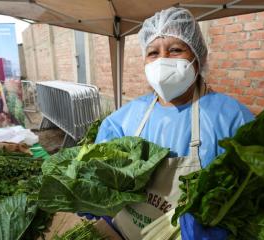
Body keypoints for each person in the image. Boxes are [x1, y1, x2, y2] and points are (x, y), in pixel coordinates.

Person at [93, 7, 254, 240]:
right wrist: (94, 196)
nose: (162, 61)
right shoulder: (125, 118)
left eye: (175, 50)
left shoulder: (231, 118)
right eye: (153, 53)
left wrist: (222, 230)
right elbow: (102, 170)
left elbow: (252, 192)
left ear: (197, 59)